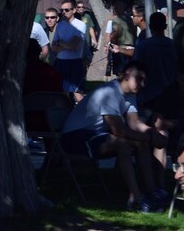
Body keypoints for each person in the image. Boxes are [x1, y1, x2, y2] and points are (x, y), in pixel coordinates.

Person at [59, 60, 168, 211]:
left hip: (96, 135)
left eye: (144, 80)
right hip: (75, 137)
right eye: (139, 79)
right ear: (127, 76)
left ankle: (151, 191)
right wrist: (150, 138)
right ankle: (135, 198)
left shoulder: (130, 94)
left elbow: (135, 124)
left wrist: (153, 133)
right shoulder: (109, 93)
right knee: (123, 142)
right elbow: (119, 130)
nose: (142, 84)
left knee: (140, 142)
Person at [50, 0, 87, 102]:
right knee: (63, 94)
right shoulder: (59, 26)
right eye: (62, 10)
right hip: (61, 62)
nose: (63, 12)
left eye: (67, 10)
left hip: (75, 63)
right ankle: (66, 116)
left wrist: (60, 43)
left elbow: (73, 46)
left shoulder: (80, 25)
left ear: (74, 10)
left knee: (78, 94)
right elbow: (53, 47)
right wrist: (64, 45)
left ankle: (84, 116)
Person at [103, 0, 135, 77]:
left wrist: (109, 44)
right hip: (131, 49)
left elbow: (114, 34)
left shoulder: (116, 20)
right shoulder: (131, 20)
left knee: (120, 73)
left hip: (120, 49)